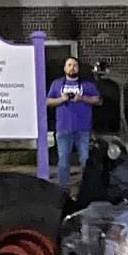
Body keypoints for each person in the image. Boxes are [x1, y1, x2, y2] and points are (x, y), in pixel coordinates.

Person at [46, 55, 101, 191]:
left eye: (75, 65)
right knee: (63, 160)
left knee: (85, 160)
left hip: (83, 129)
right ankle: (63, 189)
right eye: (69, 65)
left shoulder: (87, 84)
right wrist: (61, 99)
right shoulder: (57, 84)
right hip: (63, 128)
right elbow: (47, 101)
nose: (72, 67)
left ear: (78, 68)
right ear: (65, 68)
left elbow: (98, 101)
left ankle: (86, 187)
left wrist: (82, 98)